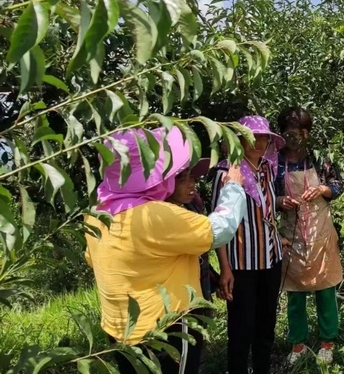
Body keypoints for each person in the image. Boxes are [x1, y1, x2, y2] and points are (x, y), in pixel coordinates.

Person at [84, 126, 247, 374]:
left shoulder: (97, 214)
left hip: (119, 330)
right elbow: (221, 228)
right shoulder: (154, 215)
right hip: (164, 328)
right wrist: (233, 187)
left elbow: (92, 259)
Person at [211, 115, 285, 374]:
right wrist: (225, 268)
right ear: (239, 140)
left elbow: (268, 211)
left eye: (263, 136)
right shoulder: (226, 172)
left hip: (271, 260)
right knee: (242, 331)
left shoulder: (267, 169)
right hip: (241, 266)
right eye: (251, 137)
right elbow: (216, 225)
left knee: (266, 328)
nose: (258, 142)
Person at [274, 107, 344, 366]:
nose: (297, 137)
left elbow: (338, 186)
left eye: (302, 131)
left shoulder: (319, 158)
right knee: (295, 292)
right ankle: (298, 343)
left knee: (325, 288)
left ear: (308, 133)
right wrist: (280, 200)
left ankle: (328, 342)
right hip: (291, 231)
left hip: (321, 230)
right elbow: (266, 196)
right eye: (292, 132)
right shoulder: (274, 160)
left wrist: (322, 189)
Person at [165, 160, 219, 349]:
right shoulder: (163, 215)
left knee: (194, 344)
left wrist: (216, 278)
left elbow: (201, 253)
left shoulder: (193, 205)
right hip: (177, 300)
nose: (191, 185)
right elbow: (214, 234)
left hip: (198, 288)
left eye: (193, 178)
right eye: (182, 180)